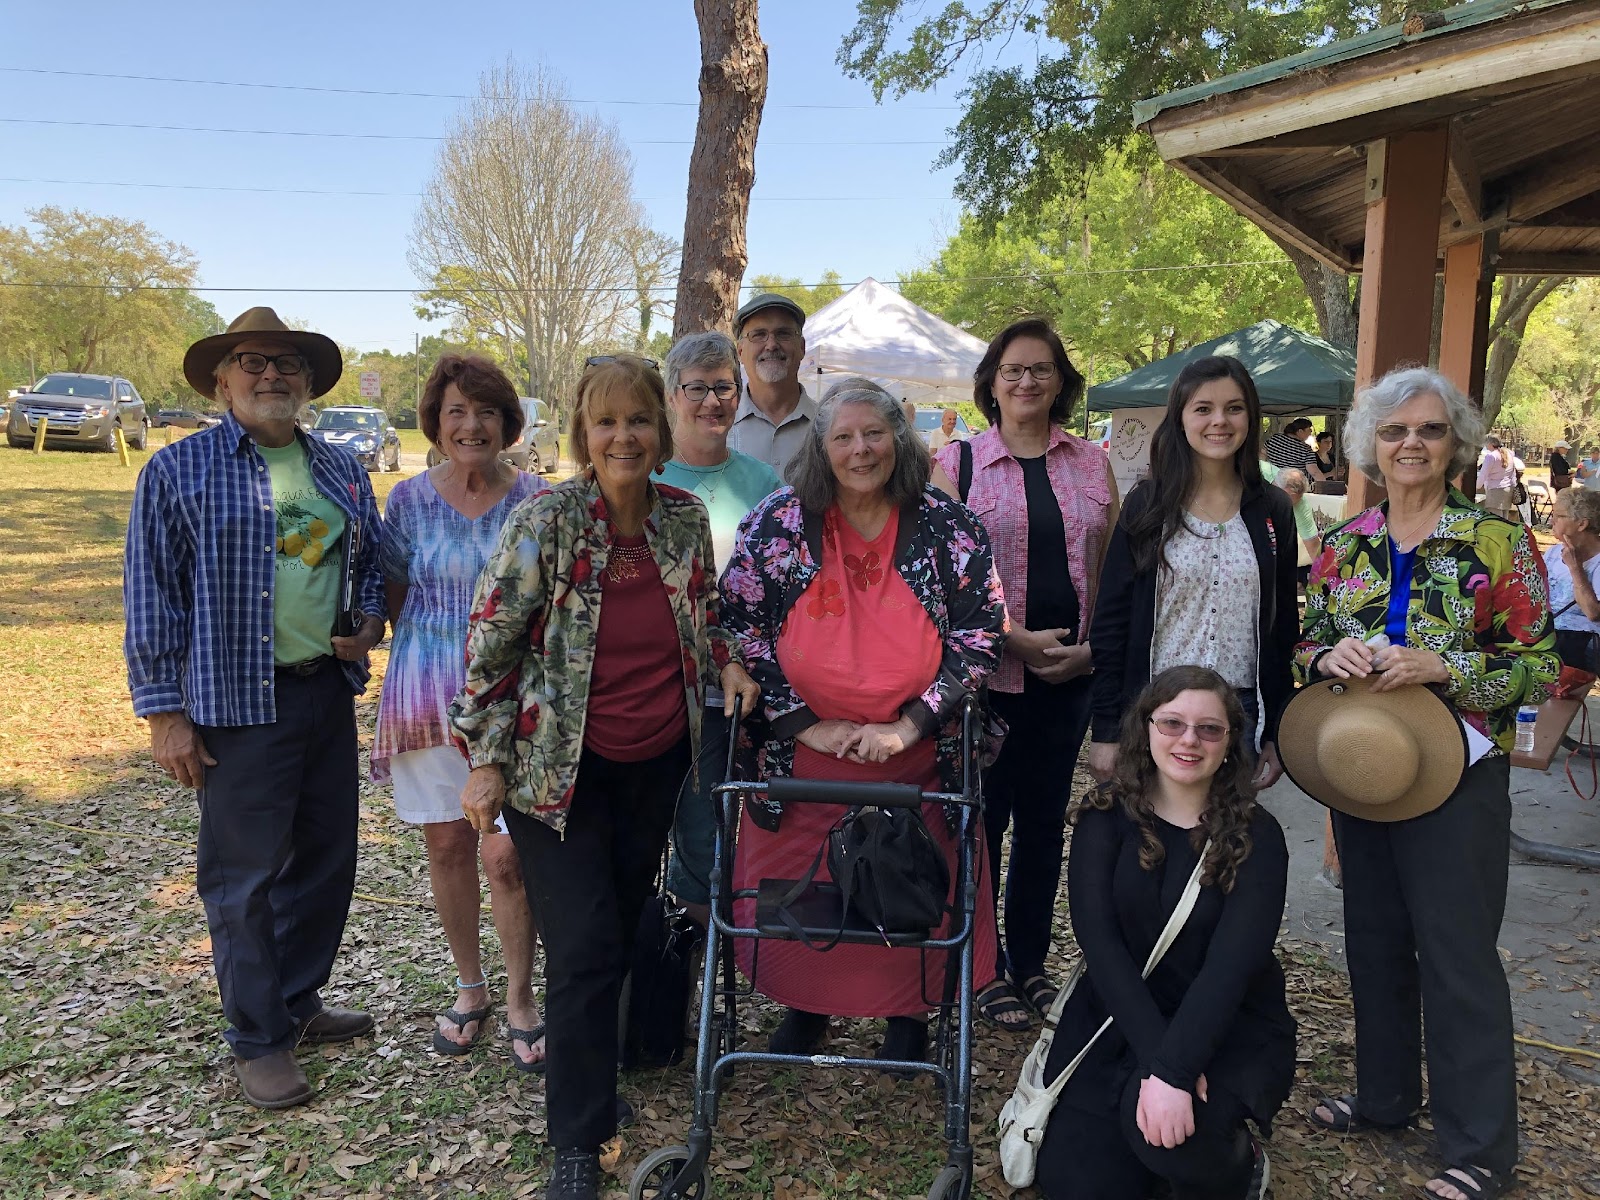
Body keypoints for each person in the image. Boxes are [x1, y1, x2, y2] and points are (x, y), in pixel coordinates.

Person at [446, 355, 760, 1200]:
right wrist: (483, 759)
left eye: (638, 421)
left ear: (662, 432)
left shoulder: (683, 521)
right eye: (606, 421)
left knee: (617, 932)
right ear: (585, 434)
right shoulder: (547, 521)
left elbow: (707, 612)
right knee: (583, 950)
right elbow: (488, 648)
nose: (624, 436)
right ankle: (578, 1144)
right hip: (558, 776)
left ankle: (591, 1075)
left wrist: (727, 662)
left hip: (654, 765)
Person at [1295, 366, 1557, 1200]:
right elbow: (1303, 644)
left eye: (1431, 431)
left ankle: (1480, 1146)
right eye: (1397, 430)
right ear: (1371, 442)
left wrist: (1448, 666)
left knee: (1457, 956)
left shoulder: (1497, 542)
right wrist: (1322, 657)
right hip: (1366, 769)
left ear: (1456, 446)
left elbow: (1542, 666)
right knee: (1373, 942)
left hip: (1460, 774)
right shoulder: (1343, 545)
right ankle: (1385, 1099)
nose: (1412, 444)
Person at [124, 307, 386, 1109]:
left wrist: (369, 620)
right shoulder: (180, 471)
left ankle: (296, 1000)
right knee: (244, 880)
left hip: (320, 693)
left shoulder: (340, 467)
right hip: (236, 706)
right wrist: (165, 714)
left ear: (307, 383)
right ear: (220, 380)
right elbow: (151, 594)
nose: (270, 375)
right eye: (251, 362)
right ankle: (256, 1036)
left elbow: (369, 559)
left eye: (286, 364)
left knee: (326, 861)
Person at [719, 376, 1006, 1064]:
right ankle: (807, 1006)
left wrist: (909, 726)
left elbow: (980, 637)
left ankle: (908, 1013)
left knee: (912, 884)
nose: (859, 449)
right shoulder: (778, 523)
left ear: (899, 440)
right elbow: (740, 626)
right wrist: (802, 724)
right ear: (821, 447)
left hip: (914, 755)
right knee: (799, 889)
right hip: (805, 755)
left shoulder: (948, 526)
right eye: (842, 436)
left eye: (873, 433)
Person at [1035, 666, 1289, 1200]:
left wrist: (1175, 1072)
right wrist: (1159, 1062)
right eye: (1172, 723)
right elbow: (1100, 949)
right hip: (1118, 1015)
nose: (1189, 740)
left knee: (1170, 1143)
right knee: (1076, 1187)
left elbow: (1231, 969)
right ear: (1145, 728)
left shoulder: (1258, 839)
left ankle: (1241, 1167)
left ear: (1229, 742)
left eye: (1209, 729)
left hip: (1223, 1023)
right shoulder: (1103, 820)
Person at [931, 317, 1119, 1030]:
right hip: (987, 681)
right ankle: (981, 969)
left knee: (1043, 825)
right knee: (983, 824)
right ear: (991, 383)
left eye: (1041, 370)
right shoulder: (960, 465)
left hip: (1068, 680)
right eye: (1013, 370)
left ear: (1061, 382)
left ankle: (1030, 964)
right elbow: (941, 579)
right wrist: (1011, 638)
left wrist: (1095, 647)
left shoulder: (1091, 464)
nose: (1027, 382)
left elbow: (1116, 569)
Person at [372, 354, 548, 1070]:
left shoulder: (539, 499)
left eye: (485, 412)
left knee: (508, 856)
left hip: (514, 710)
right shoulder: (408, 501)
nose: (471, 425)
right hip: (425, 696)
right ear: (435, 424)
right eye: (455, 412)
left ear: (508, 423)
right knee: (446, 846)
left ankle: (521, 997)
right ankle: (470, 987)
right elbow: (388, 596)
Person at [1087, 356, 1297, 792]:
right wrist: (1106, 729)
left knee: (1224, 848)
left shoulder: (1273, 509)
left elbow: (1283, 631)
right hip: (1156, 710)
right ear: (1180, 418)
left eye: (1234, 408)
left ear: (1251, 417)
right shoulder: (1147, 505)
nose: (1219, 421)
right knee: (1148, 846)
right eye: (1203, 408)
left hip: (1238, 716)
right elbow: (1111, 624)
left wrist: (1276, 730)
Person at [656, 332, 783, 922]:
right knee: (698, 822)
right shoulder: (649, 477)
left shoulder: (764, 482)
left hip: (754, 680)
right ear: (673, 395)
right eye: (698, 388)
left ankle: (751, 950)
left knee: (760, 822)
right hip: (674, 684)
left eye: (725, 388)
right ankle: (695, 957)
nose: (713, 401)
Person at [727, 292, 815, 475]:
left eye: (783, 334)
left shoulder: (828, 425)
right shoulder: (719, 427)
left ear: (802, 348)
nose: (771, 345)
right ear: (740, 351)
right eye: (759, 335)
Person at [1542, 486, 1600, 672]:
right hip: (1547, 632)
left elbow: (1593, 613)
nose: (1552, 520)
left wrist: (1576, 569)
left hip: (1581, 640)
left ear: (1582, 524)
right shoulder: (1552, 553)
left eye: (1560, 516)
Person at [1273, 467, 1321, 586]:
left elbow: (1313, 545)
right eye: (1283, 500)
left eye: (1291, 503)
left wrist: (1326, 578)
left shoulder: (1301, 505)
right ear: (1274, 486)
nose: (1285, 506)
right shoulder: (1259, 474)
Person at [1478, 435, 1517, 519]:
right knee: (1504, 520)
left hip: (1495, 491)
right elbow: (1513, 473)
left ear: (1491, 443)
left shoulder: (1491, 456)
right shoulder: (1509, 453)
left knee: (1495, 521)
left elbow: (1483, 474)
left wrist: (1476, 486)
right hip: (1507, 489)